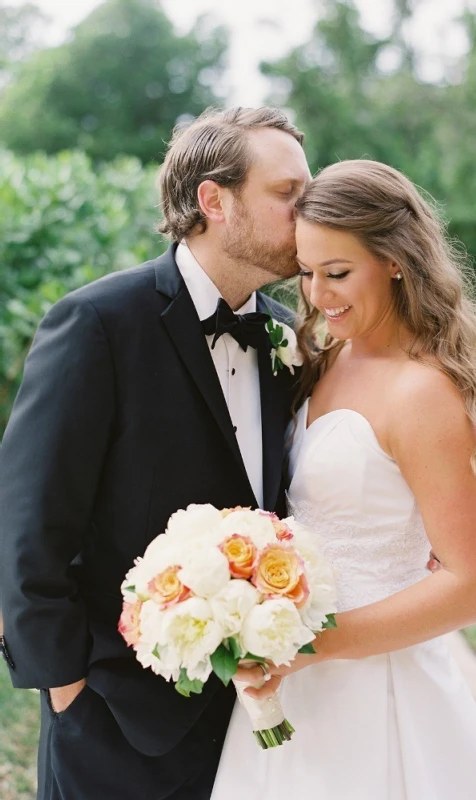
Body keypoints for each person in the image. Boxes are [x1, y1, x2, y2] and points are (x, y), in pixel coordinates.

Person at [0, 106, 311, 800]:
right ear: (214, 201)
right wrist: (68, 693)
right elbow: (27, 529)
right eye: (287, 194)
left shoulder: (291, 337)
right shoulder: (97, 325)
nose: (308, 211)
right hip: (117, 722)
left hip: (260, 719)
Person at [211, 159, 476, 799]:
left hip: (380, 685)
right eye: (308, 273)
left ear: (396, 260)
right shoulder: (324, 358)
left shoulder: (424, 392)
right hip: (292, 675)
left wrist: (309, 646)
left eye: (339, 273)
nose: (318, 296)